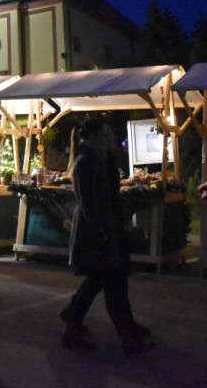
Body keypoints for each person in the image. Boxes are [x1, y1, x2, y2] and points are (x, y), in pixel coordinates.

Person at [61, 117, 154, 358]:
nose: (111, 139)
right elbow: (89, 202)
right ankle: (125, 336)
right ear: (93, 138)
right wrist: (101, 232)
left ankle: (76, 324)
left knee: (102, 281)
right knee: (109, 283)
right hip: (98, 232)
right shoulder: (87, 161)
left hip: (105, 229)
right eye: (106, 135)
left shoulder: (98, 159)